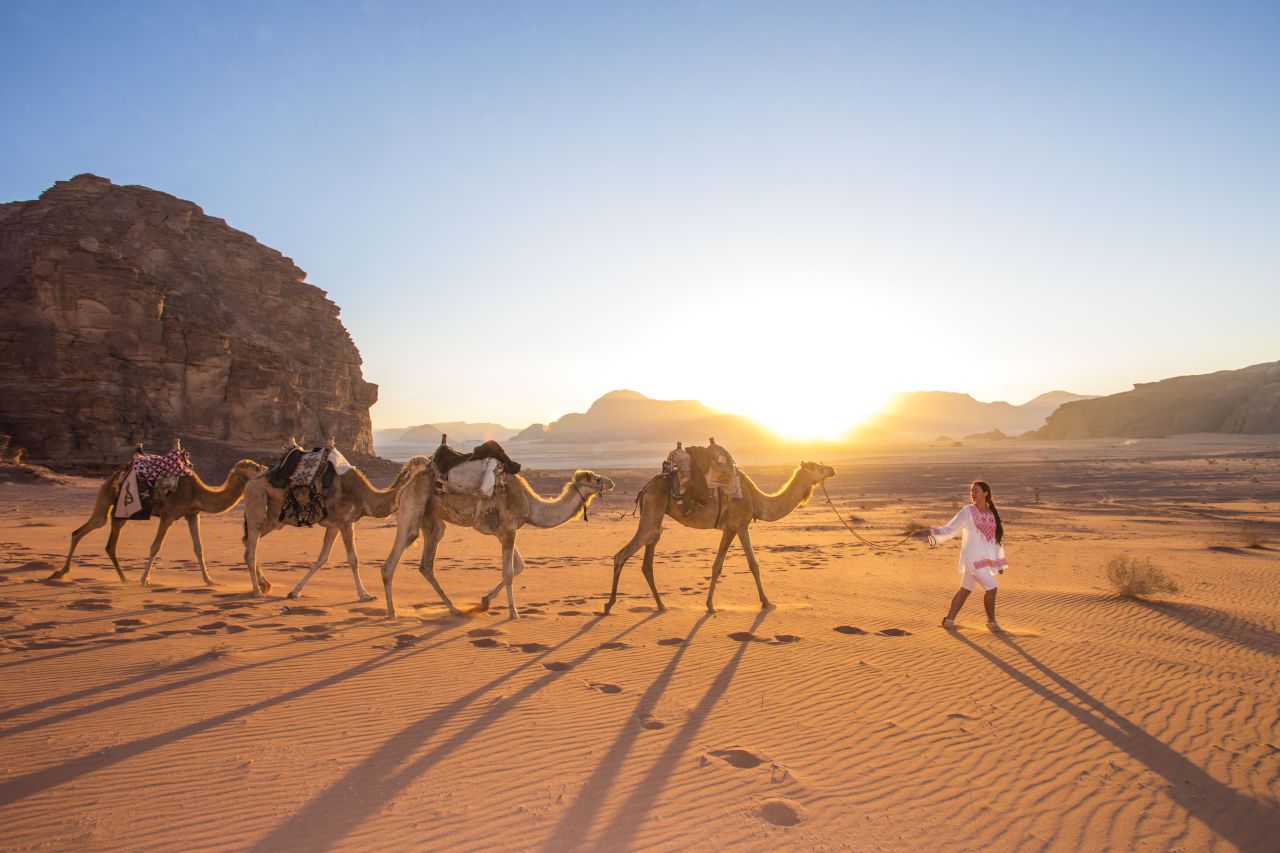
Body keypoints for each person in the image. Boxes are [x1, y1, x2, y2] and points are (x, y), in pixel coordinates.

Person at [917, 480, 1008, 631]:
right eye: (971, 491)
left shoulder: (992, 514)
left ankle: (949, 620)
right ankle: (992, 623)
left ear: (986, 493)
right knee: (992, 588)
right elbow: (950, 528)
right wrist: (932, 531)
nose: (973, 494)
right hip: (972, 557)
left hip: (983, 559)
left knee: (965, 589)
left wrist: (999, 563)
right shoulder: (967, 511)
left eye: (976, 491)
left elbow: (996, 540)